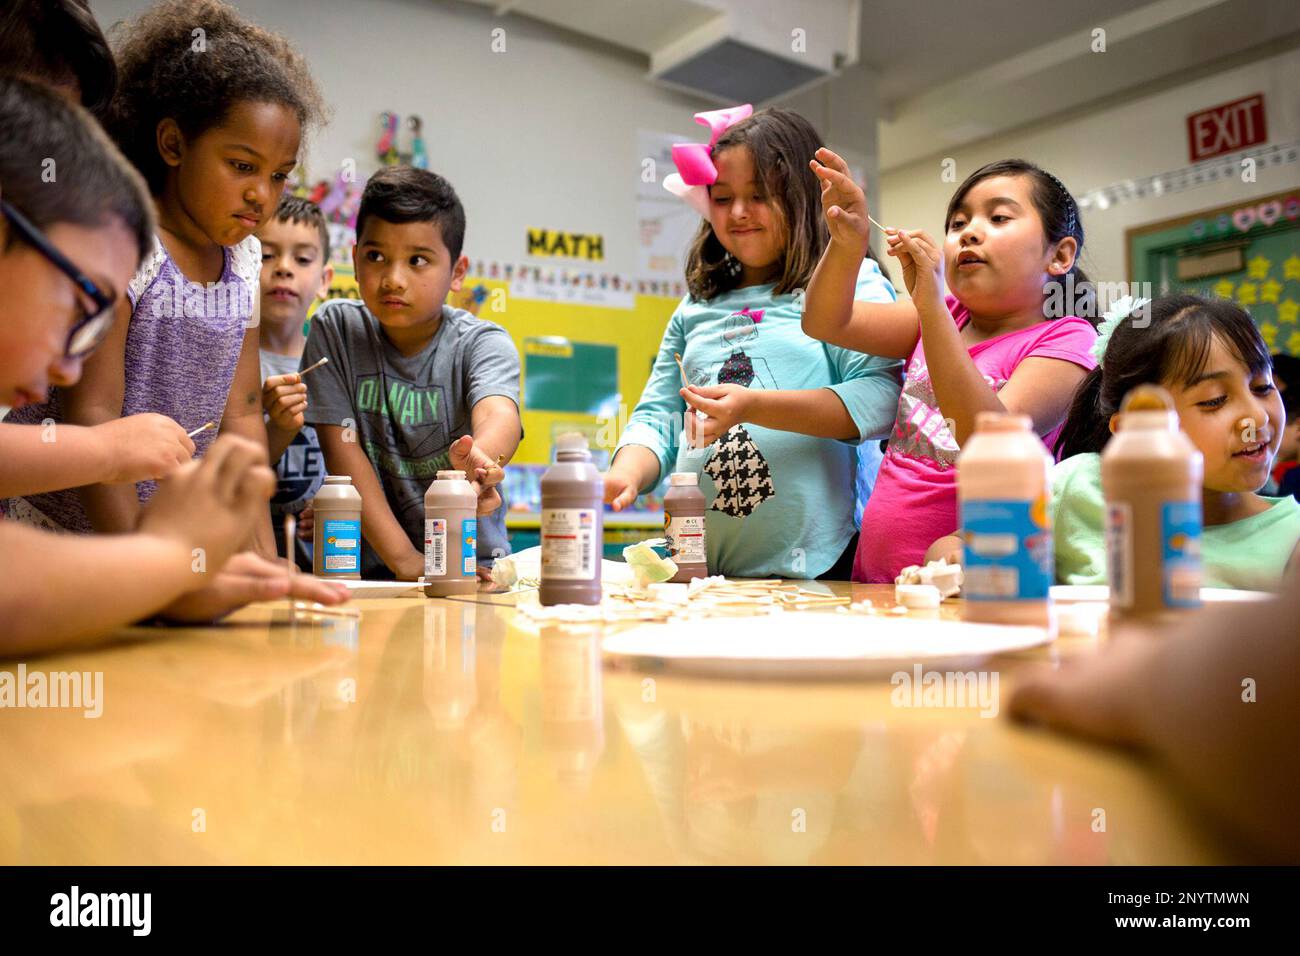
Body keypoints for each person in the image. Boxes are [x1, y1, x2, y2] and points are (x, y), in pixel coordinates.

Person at [605, 108, 903, 578]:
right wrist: (626, 472)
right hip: (702, 568)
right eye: (723, 198)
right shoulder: (695, 307)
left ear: (804, 197)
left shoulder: (848, 285)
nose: (739, 212)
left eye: (760, 196)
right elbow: (659, 416)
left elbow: (882, 399)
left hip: (822, 564)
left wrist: (753, 406)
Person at [804, 154, 1098, 581]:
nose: (970, 233)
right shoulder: (946, 315)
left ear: (1060, 255)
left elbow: (984, 435)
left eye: (998, 218)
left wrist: (929, 305)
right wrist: (847, 243)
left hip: (973, 587)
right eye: (958, 224)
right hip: (877, 580)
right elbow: (826, 321)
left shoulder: (1068, 339)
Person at [301, 166, 518, 580]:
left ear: (457, 272)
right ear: (354, 258)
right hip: (370, 573)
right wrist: (406, 561)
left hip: (472, 565)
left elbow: (498, 414)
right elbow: (344, 457)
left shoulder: (483, 341)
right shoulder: (335, 330)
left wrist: (481, 460)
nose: (393, 279)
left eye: (418, 260)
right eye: (376, 257)